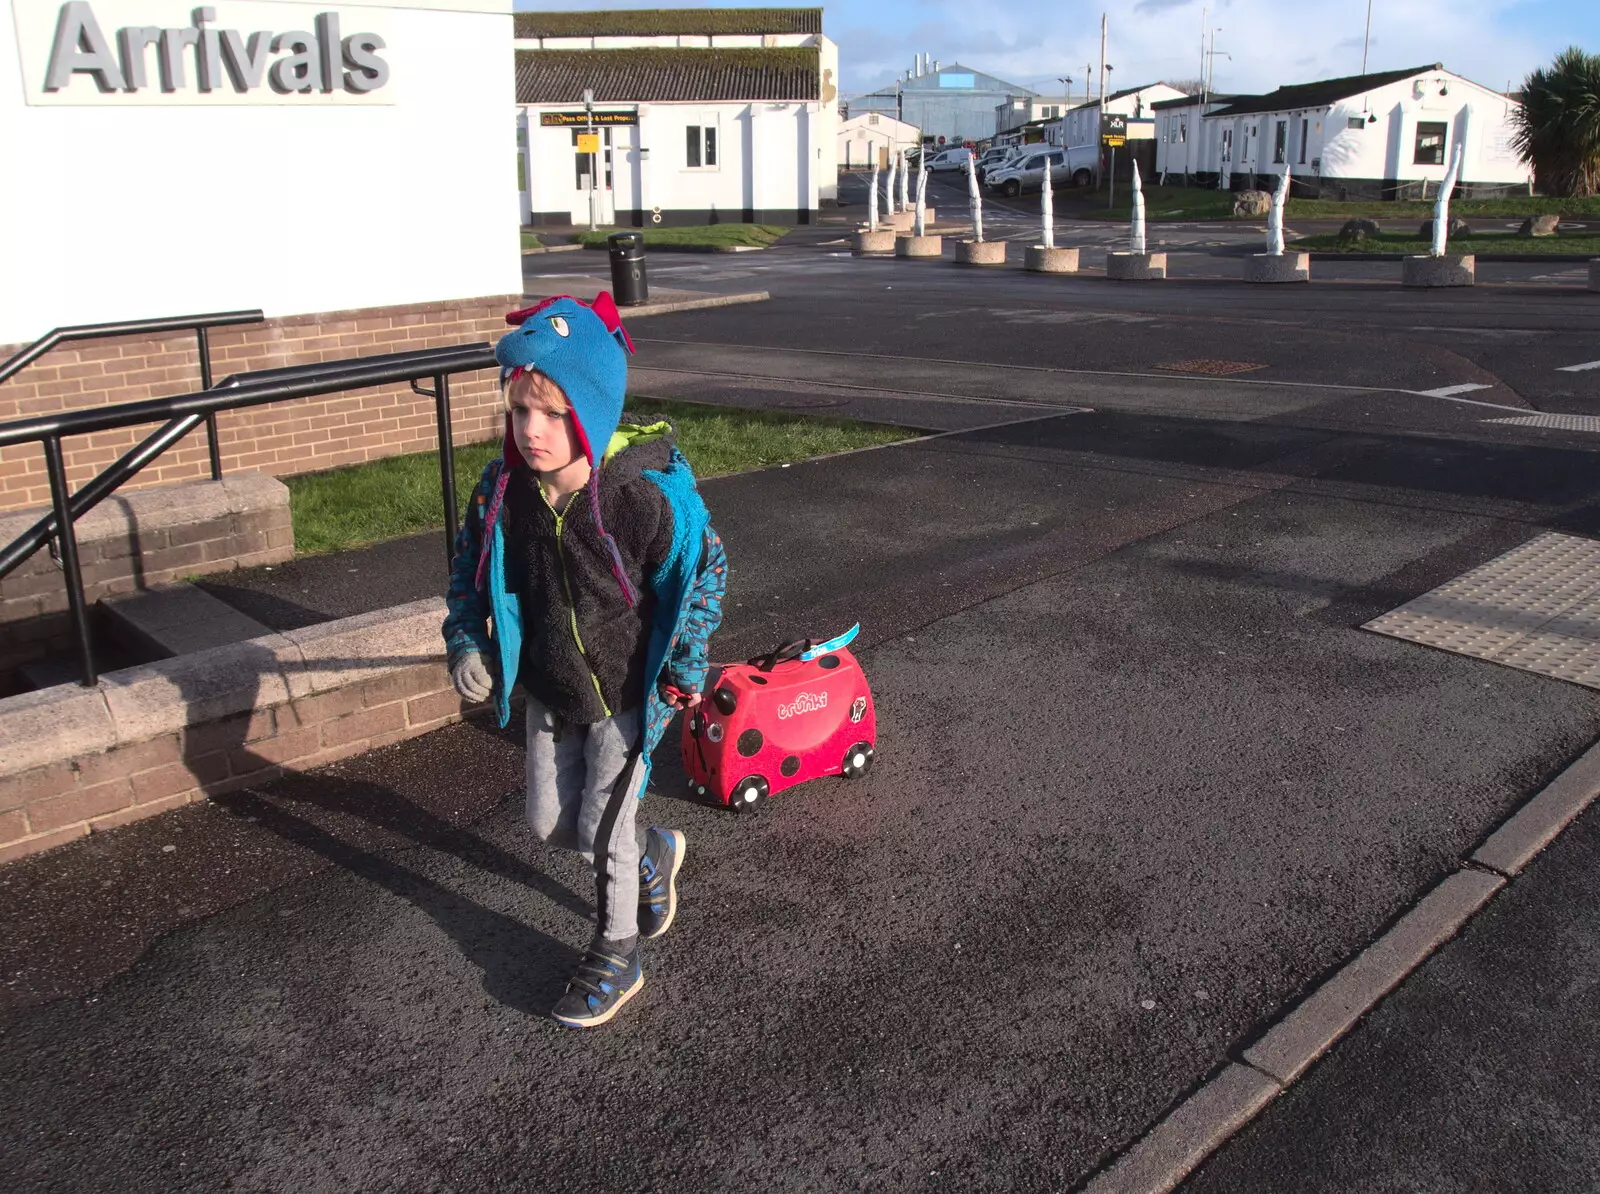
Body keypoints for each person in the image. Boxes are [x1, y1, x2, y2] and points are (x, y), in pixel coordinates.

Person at [442, 292, 727, 1028]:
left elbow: (705, 573)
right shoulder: (503, 492)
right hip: (552, 686)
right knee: (548, 825)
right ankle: (652, 852)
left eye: (551, 414)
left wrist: (685, 666)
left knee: (601, 826)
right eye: (518, 411)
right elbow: (470, 571)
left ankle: (617, 950)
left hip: (630, 690)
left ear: (592, 411)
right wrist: (466, 638)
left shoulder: (643, 498)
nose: (530, 431)